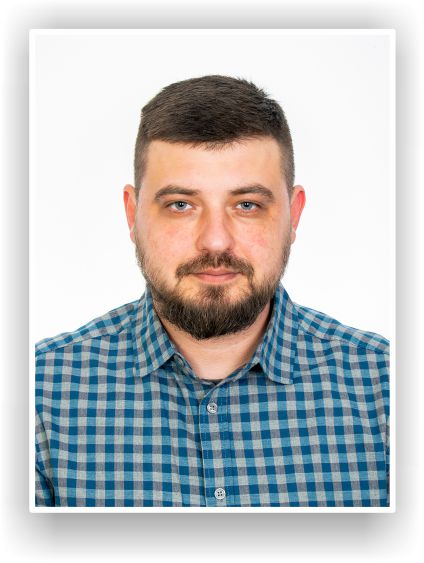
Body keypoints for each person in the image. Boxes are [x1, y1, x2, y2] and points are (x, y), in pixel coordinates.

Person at [35, 75, 390, 508]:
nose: (216, 241)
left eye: (247, 205)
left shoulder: (389, 389)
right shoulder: (36, 395)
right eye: (181, 205)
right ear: (132, 214)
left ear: (293, 215)